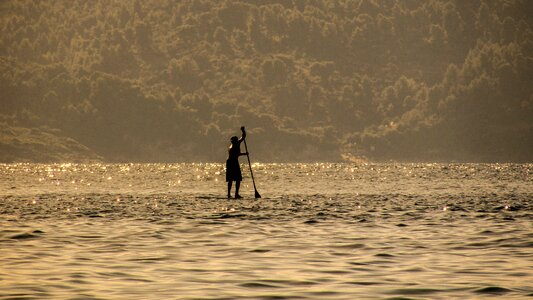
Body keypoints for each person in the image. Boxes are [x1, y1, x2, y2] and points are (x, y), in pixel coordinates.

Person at [226, 126, 248, 199]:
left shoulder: (236, 143)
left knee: (237, 179)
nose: (236, 141)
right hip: (231, 163)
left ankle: (236, 194)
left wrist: (243, 131)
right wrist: (245, 154)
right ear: (233, 141)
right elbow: (236, 154)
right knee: (231, 179)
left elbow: (243, 137)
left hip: (233, 162)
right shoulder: (232, 147)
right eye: (234, 141)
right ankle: (229, 194)